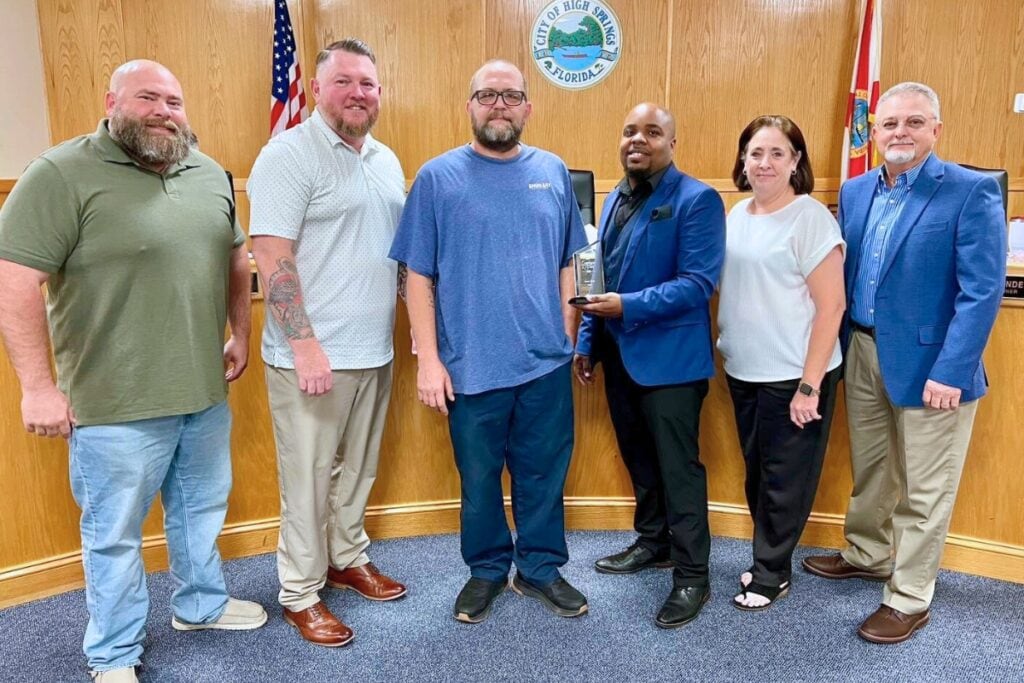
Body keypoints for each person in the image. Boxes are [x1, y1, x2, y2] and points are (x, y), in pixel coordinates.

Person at [0, 59, 264, 683]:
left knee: (200, 511)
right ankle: (113, 655)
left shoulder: (207, 172)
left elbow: (235, 258)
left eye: (175, 100)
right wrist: (36, 387)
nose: (164, 111)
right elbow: (15, 283)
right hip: (112, 405)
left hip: (201, 391)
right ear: (111, 100)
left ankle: (201, 607)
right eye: (149, 97)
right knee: (114, 535)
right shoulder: (59, 173)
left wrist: (241, 331)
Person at [803, 82, 1006, 643]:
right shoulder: (856, 189)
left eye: (914, 122)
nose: (899, 133)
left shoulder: (971, 191)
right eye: (889, 123)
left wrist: (953, 369)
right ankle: (868, 553)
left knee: (925, 487)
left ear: (935, 129)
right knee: (873, 468)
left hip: (933, 364)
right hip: (864, 350)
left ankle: (910, 596)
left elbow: (981, 290)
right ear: (875, 131)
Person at [389, 59, 588, 624]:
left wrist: (568, 332)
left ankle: (541, 569)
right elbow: (417, 276)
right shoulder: (437, 178)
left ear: (528, 107)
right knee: (478, 480)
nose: (499, 106)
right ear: (470, 105)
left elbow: (571, 259)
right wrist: (428, 359)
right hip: (470, 365)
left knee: (544, 473)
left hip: (545, 364)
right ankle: (485, 570)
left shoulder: (552, 171)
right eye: (487, 96)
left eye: (511, 96)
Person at [247, 38, 407, 648]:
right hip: (310, 358)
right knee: (308, 478)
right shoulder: (289, 154)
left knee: (358, 470)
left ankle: (347, 557)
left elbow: (391, 254)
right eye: (344, 82)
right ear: (317, 89)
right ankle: (300, 592)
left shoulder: (386, 160)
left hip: (374, 350)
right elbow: (272, 254)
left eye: (367, 83)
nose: (358, 93)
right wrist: (306, 346)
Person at [573, 103, 725, 629]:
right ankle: (653, 542)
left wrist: (628, 307)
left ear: (672, 143)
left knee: (678, 470)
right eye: (629, 130)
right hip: (619, 355)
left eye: (653, 132)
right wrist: (588, 342)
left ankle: (692, 576)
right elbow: (600, 277)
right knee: (640, 460)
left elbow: (698, 283)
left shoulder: (698, 199)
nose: (638, 140)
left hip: (672, 363)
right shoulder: (616, 194)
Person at [717, 115, 846, 611]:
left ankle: (771, 572)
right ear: (743, 161)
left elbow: (831, 307)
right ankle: (773, 559)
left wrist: (810, 387)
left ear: (796, 162)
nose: (764, 163)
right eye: (755, 153)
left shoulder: (811, 218)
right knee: (757, 474)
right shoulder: (737, 214)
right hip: (744, 369)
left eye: (777, 153)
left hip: (795, 374)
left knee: (784, 479)